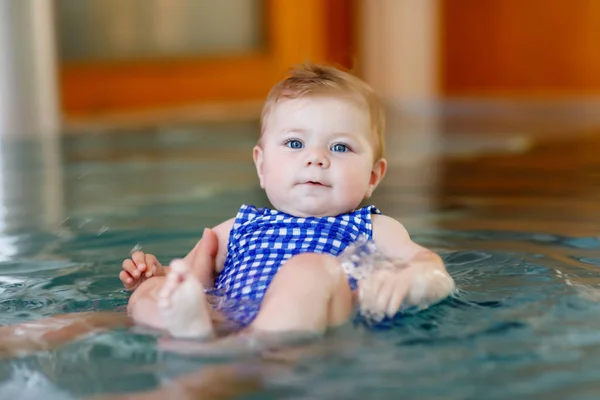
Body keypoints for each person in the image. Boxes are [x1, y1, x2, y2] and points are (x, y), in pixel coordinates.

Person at [119, 63, 456, 340]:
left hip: (310, 327)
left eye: (340, 147)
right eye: (295, 143)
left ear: (372, 176)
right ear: (261, 166)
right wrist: (154, 276)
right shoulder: (238, 227)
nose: (316, 159)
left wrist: (413, 279)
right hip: (224, 321)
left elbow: (432, 268)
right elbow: (192, 276)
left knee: (310, 268)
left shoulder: (374, 227)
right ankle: (192, 331)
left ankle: (238, 350)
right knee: (154, 292)